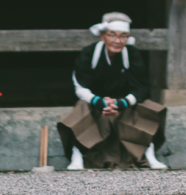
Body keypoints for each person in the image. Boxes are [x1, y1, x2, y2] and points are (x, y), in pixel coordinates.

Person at [57, 12, 168, 170]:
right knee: (81, 107)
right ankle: (78, 153)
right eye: (112, 35)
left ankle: (148, 152)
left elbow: (142, 87)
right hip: (95, 101)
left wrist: (122, 103)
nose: (117, 41)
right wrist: (99, 101)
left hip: (124, 101)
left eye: (123, 36)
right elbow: (80, 86)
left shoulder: (132, 53)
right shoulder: (90, 53)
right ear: (103, 36)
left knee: (149, 107)